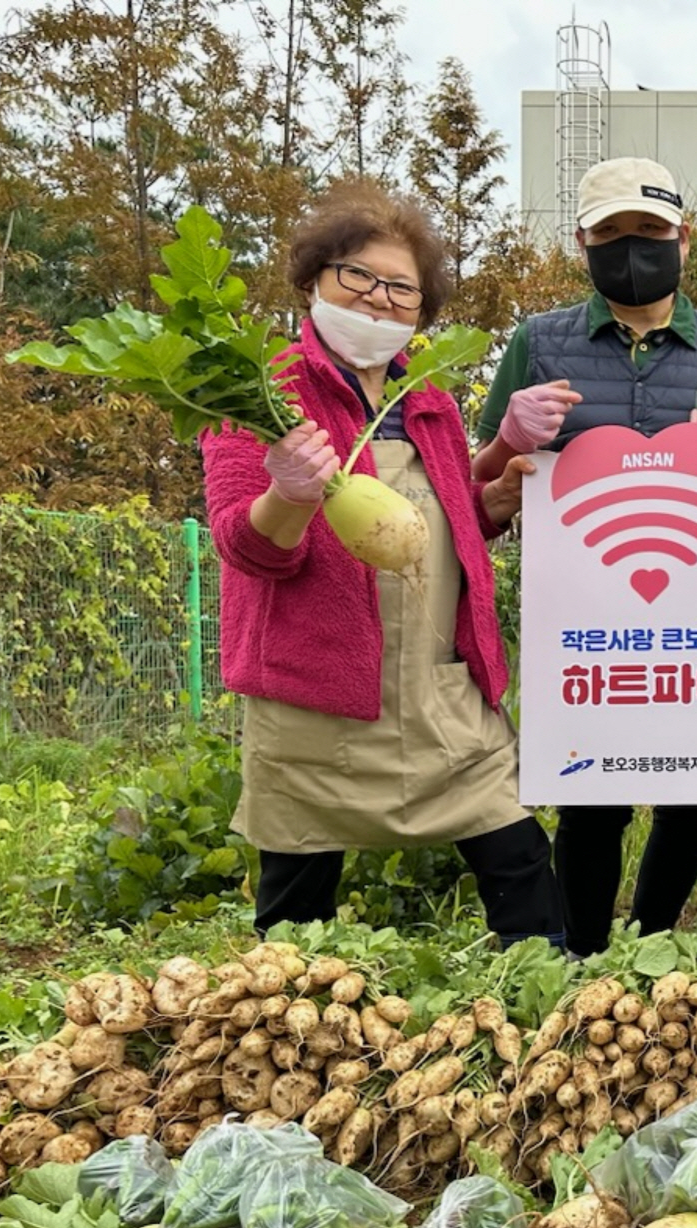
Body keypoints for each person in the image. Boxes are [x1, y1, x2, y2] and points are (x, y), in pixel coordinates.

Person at [202, 179, 563, 944]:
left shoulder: (426, 400)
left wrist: (500, 471)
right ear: (313, 282)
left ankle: (551, 1008)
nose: (378, 300)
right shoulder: (260, 392)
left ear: (422, 311)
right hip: (316, 696)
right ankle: (294, 1032)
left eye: (402, 288)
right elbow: (243, 544)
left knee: (519, 856)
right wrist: (290, 493)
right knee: (298, 904)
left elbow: (439, 525)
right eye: (358, 276)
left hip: (438, 689)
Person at [472, 157, 697, 958]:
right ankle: (584, 952)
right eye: (611, 234)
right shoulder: (538, 344)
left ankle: (652, 942)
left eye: (650, 232)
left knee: (694, 790)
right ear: (583, 242)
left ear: (684, 237)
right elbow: (477, 487)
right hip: (581, 614)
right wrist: (510, 441)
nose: (633, 249)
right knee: (591, 794)